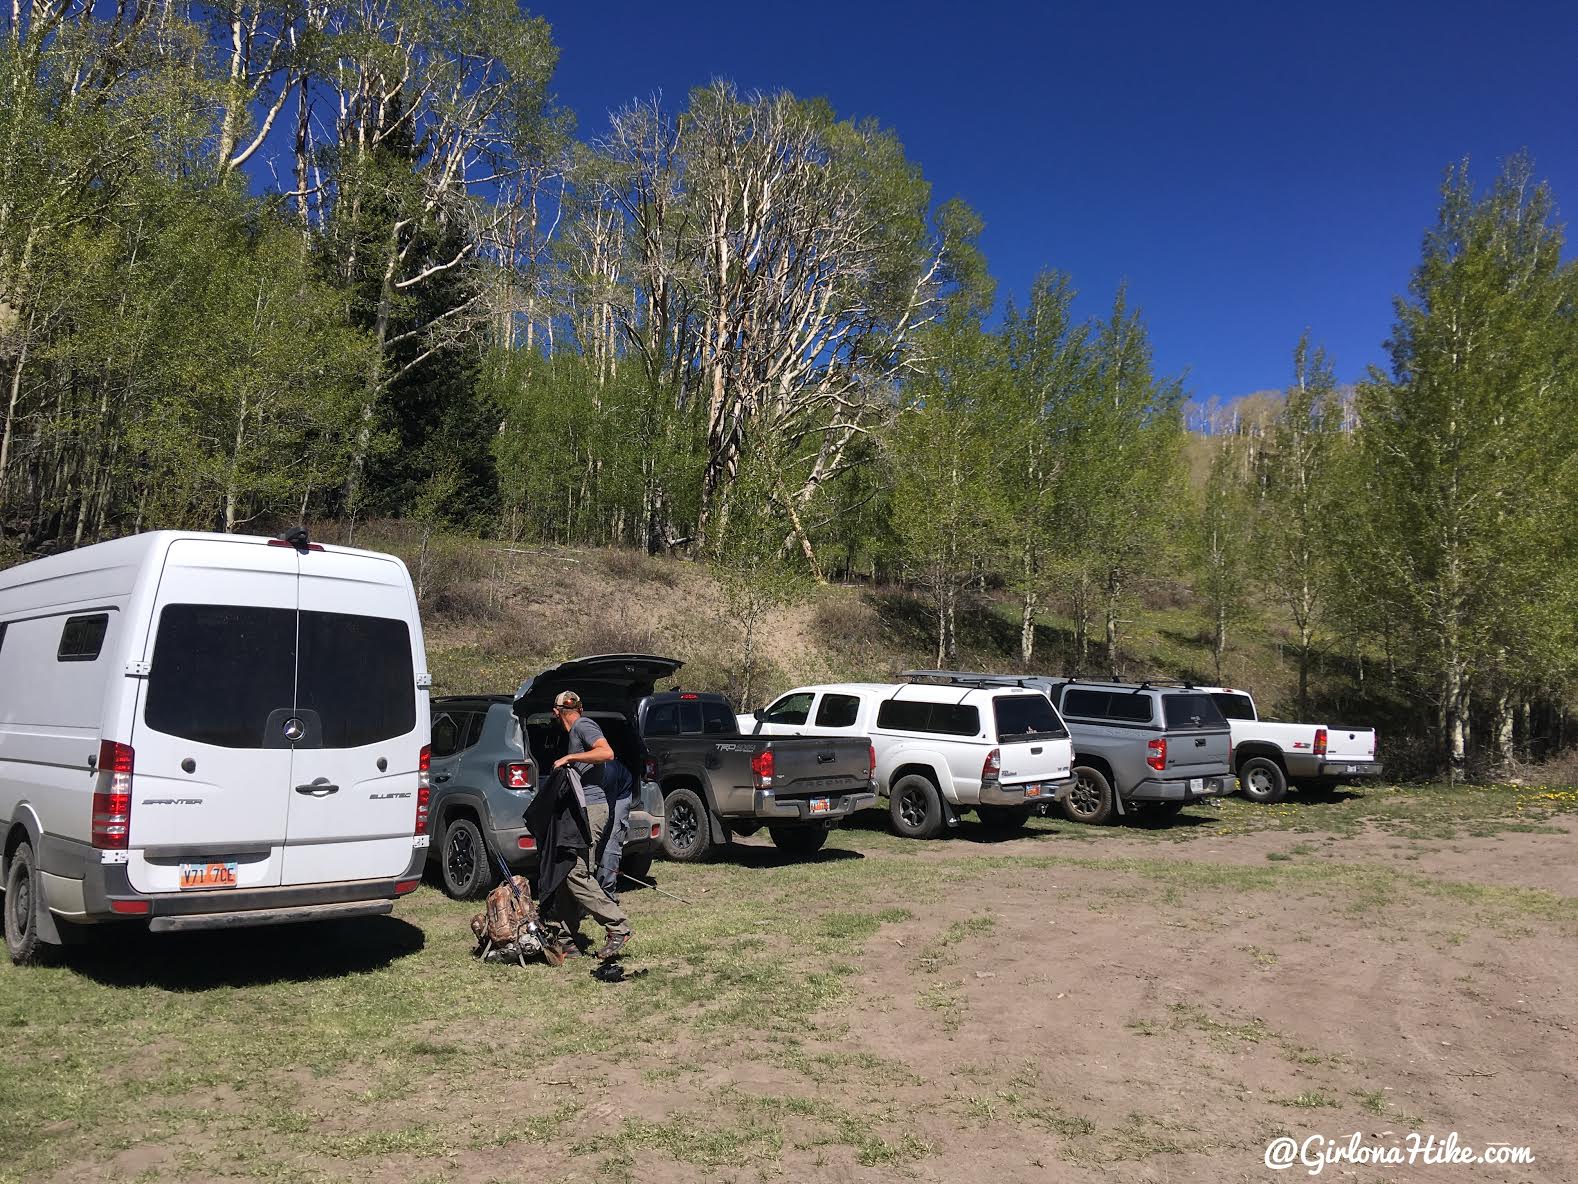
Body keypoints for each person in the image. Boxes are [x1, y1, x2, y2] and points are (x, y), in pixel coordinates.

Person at [545, 691, 632, 958]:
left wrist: (570, 759)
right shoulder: (576, 732)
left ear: (555, 712)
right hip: (583, 809)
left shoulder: (583, 726)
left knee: (575, 872)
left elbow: (606, 752)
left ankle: (617, 926)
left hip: (593, 809)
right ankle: (567, 939)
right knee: (568, 869)